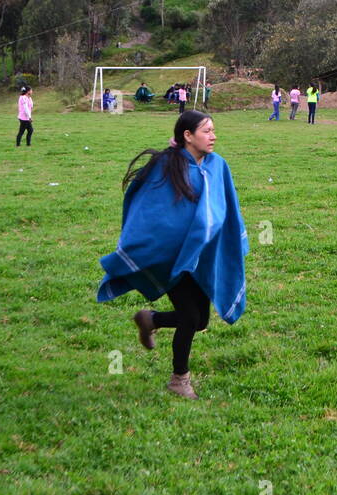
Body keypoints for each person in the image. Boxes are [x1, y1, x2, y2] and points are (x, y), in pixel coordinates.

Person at [98, 110, 248, 400]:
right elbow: (152, 210)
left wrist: (233, 238)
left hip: (203, 256)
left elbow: (229, 206)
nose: (213, 136)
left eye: (214, 130)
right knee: (191, 318)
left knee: (200, 320)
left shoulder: (218, 166)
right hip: (175, 258)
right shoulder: (168, 166)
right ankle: (180, 379)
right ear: (188, 136)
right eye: (206, 131)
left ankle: (150, 319)